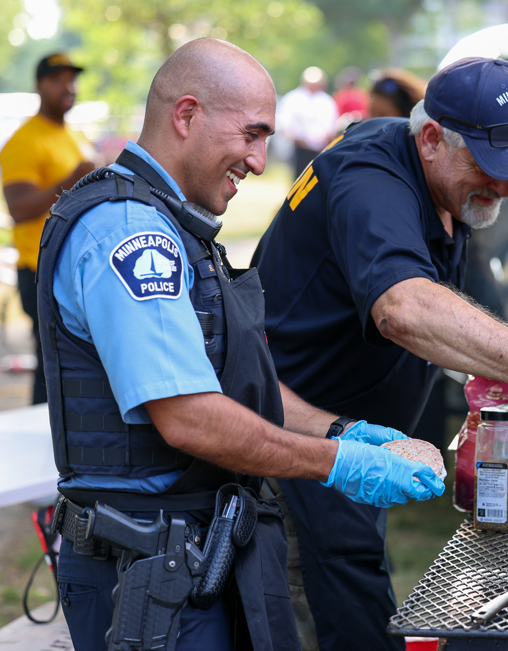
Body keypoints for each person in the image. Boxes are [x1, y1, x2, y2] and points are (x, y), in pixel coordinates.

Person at [39, 38, 443, 651]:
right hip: (146, 575)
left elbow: (223, 379)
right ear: (187, 115)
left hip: (194, 559)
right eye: (250, 134)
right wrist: (339, 465)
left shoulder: (174, 226)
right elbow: (189, 417)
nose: (259, 161)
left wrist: (338, 430)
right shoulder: (129, 233)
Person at [252, 57, 508, 651]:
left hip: (362, 432)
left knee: (356, 583)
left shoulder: (441, 177)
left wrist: (482, 366)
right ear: (432, 138)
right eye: (489, 167)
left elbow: (429, 300)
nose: (504, 187)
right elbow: (405, 309)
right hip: (294, 430)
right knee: (338, 609)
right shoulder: (368, 175)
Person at [0, 53, 98, 404]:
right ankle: (46, 436)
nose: (68, 87)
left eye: (72, 79)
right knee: (54, 361)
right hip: (40, 268)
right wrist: (71, 179)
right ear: (39, 85)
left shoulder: (73, 134)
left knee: (73, 359)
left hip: (71, 265)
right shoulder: (24, 141)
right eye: (58, 79)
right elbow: (19, 208)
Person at [275, 66, 338, 178]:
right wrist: (294, 136)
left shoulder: (326, 101)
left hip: (320, 149)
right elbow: (283, 122)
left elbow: (331, 125)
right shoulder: (293, 98)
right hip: (299, 148)